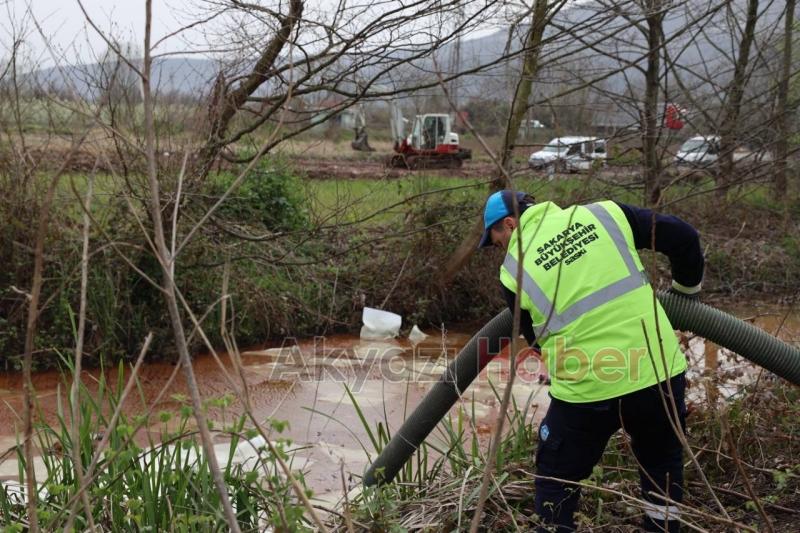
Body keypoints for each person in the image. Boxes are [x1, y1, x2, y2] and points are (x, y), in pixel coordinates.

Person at [478, 190, 704, 533]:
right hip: (657, 372)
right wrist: (686, 297)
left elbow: (536, 341)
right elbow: (684, 236)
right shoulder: (605, 214)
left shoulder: (513, 271)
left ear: (510, 223)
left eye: (497, 239)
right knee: (662, 465)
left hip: (588, 390)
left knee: (556, 472)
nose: (500, 248)